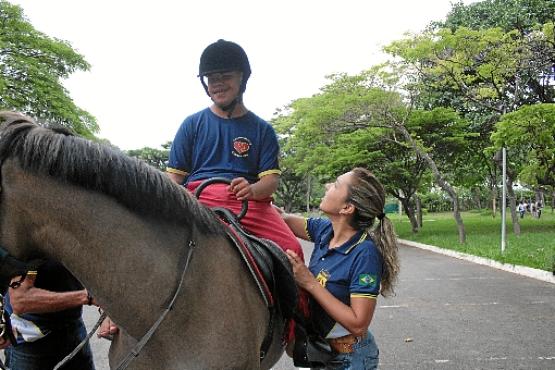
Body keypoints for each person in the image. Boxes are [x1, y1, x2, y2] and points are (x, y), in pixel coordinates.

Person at [165, 39, 304, 260]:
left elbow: (270, 182)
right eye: (212, 78)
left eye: (225, 76)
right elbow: (174, 178)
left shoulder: (262, 130)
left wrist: (251, 190)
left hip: (248, 205)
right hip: (198, 200)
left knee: (293, 251)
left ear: (242, 78)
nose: (217, 83)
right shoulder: (191, 124)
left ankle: (299, 296)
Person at [279, 168, 400, 370]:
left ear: (347, 208)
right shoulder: (325, 230)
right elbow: (283, 219)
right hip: (320, 352)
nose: (327, 186)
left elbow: (358, 324)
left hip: (350, 359)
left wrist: (309, 282)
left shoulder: (364, 254)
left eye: (335, 185)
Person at [2, 260, 96, 370]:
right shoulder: (31, 249)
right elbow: (20, 300)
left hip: (73, 329)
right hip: (31, 344)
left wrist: (107, 312)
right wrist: (87, 297)